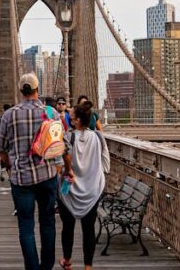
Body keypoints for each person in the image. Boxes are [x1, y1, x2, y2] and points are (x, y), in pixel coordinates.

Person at [0, 73, 73, 270]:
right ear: (37, 89)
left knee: (26, 227)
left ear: (21, 91)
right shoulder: (51, 113)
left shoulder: (9, 115)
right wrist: (67, 170)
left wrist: (9, 166)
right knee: (48, 224)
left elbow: (1, 148)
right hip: (47, 176)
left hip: (21, 179)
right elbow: (64, 146)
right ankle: (46, 267)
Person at [57, 101, 110, 270]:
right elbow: (106, 166)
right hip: (92, 191)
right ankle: (88, 266)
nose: (69, 119)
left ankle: (67, 261)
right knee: (89, 230)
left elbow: (60, 163)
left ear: (78, 120)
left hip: (69, 191)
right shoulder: (99, 137)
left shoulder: (67, 137)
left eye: (72, 118)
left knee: (68, 227)